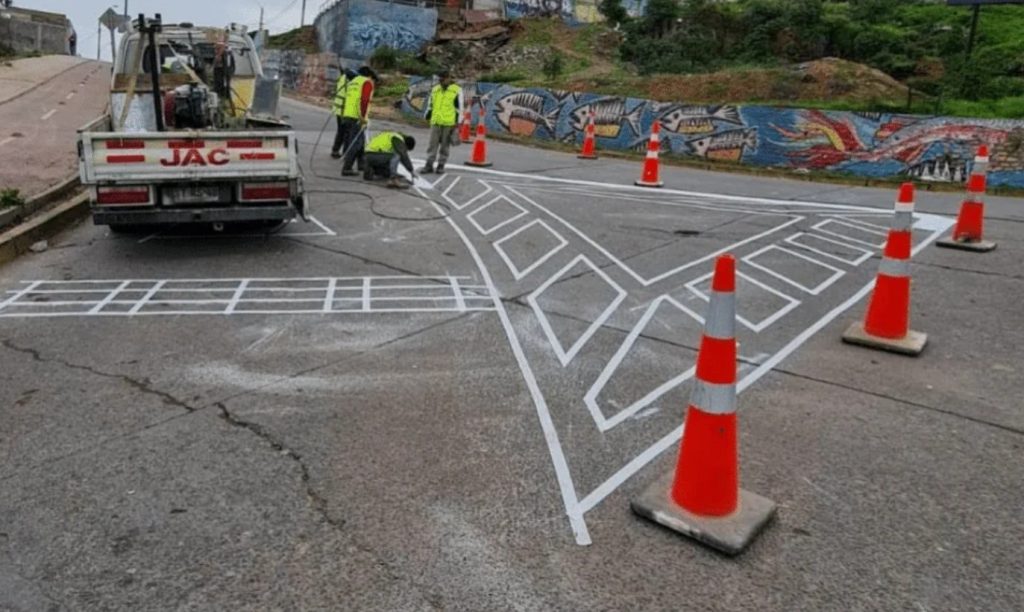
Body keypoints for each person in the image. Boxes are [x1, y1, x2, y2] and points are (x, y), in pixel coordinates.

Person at [340, 66, 378, 176]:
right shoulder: (367, 82)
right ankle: (347, 168)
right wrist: (362, 118)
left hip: (348, 115)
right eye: (374, 80)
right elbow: (364, 101)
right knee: (356, 144)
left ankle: (361, 164)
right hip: (357, 117)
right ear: (370, 76)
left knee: (361, 142)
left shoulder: (353, 82)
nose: (374, 83)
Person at [421, 71, 461, 175]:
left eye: (443, 79)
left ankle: (441, 165)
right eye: (440, 79)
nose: (441, 81)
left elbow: (460, 108)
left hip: (448, 123)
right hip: (436, 121)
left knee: (445, 146)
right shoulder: (435, 89)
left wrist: (457, 123)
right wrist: (427, 116)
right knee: (432, 145)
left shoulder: (456, 90)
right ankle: (429, 165)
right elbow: (430, 104)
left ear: (449, 78)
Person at [330, 67, 358, 159]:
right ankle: (342, 152)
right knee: (345, 132)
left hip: (338, 108)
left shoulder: (342, 78)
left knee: (341, 131)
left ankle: (335, 150)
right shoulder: (349, 80)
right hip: (343, 110)